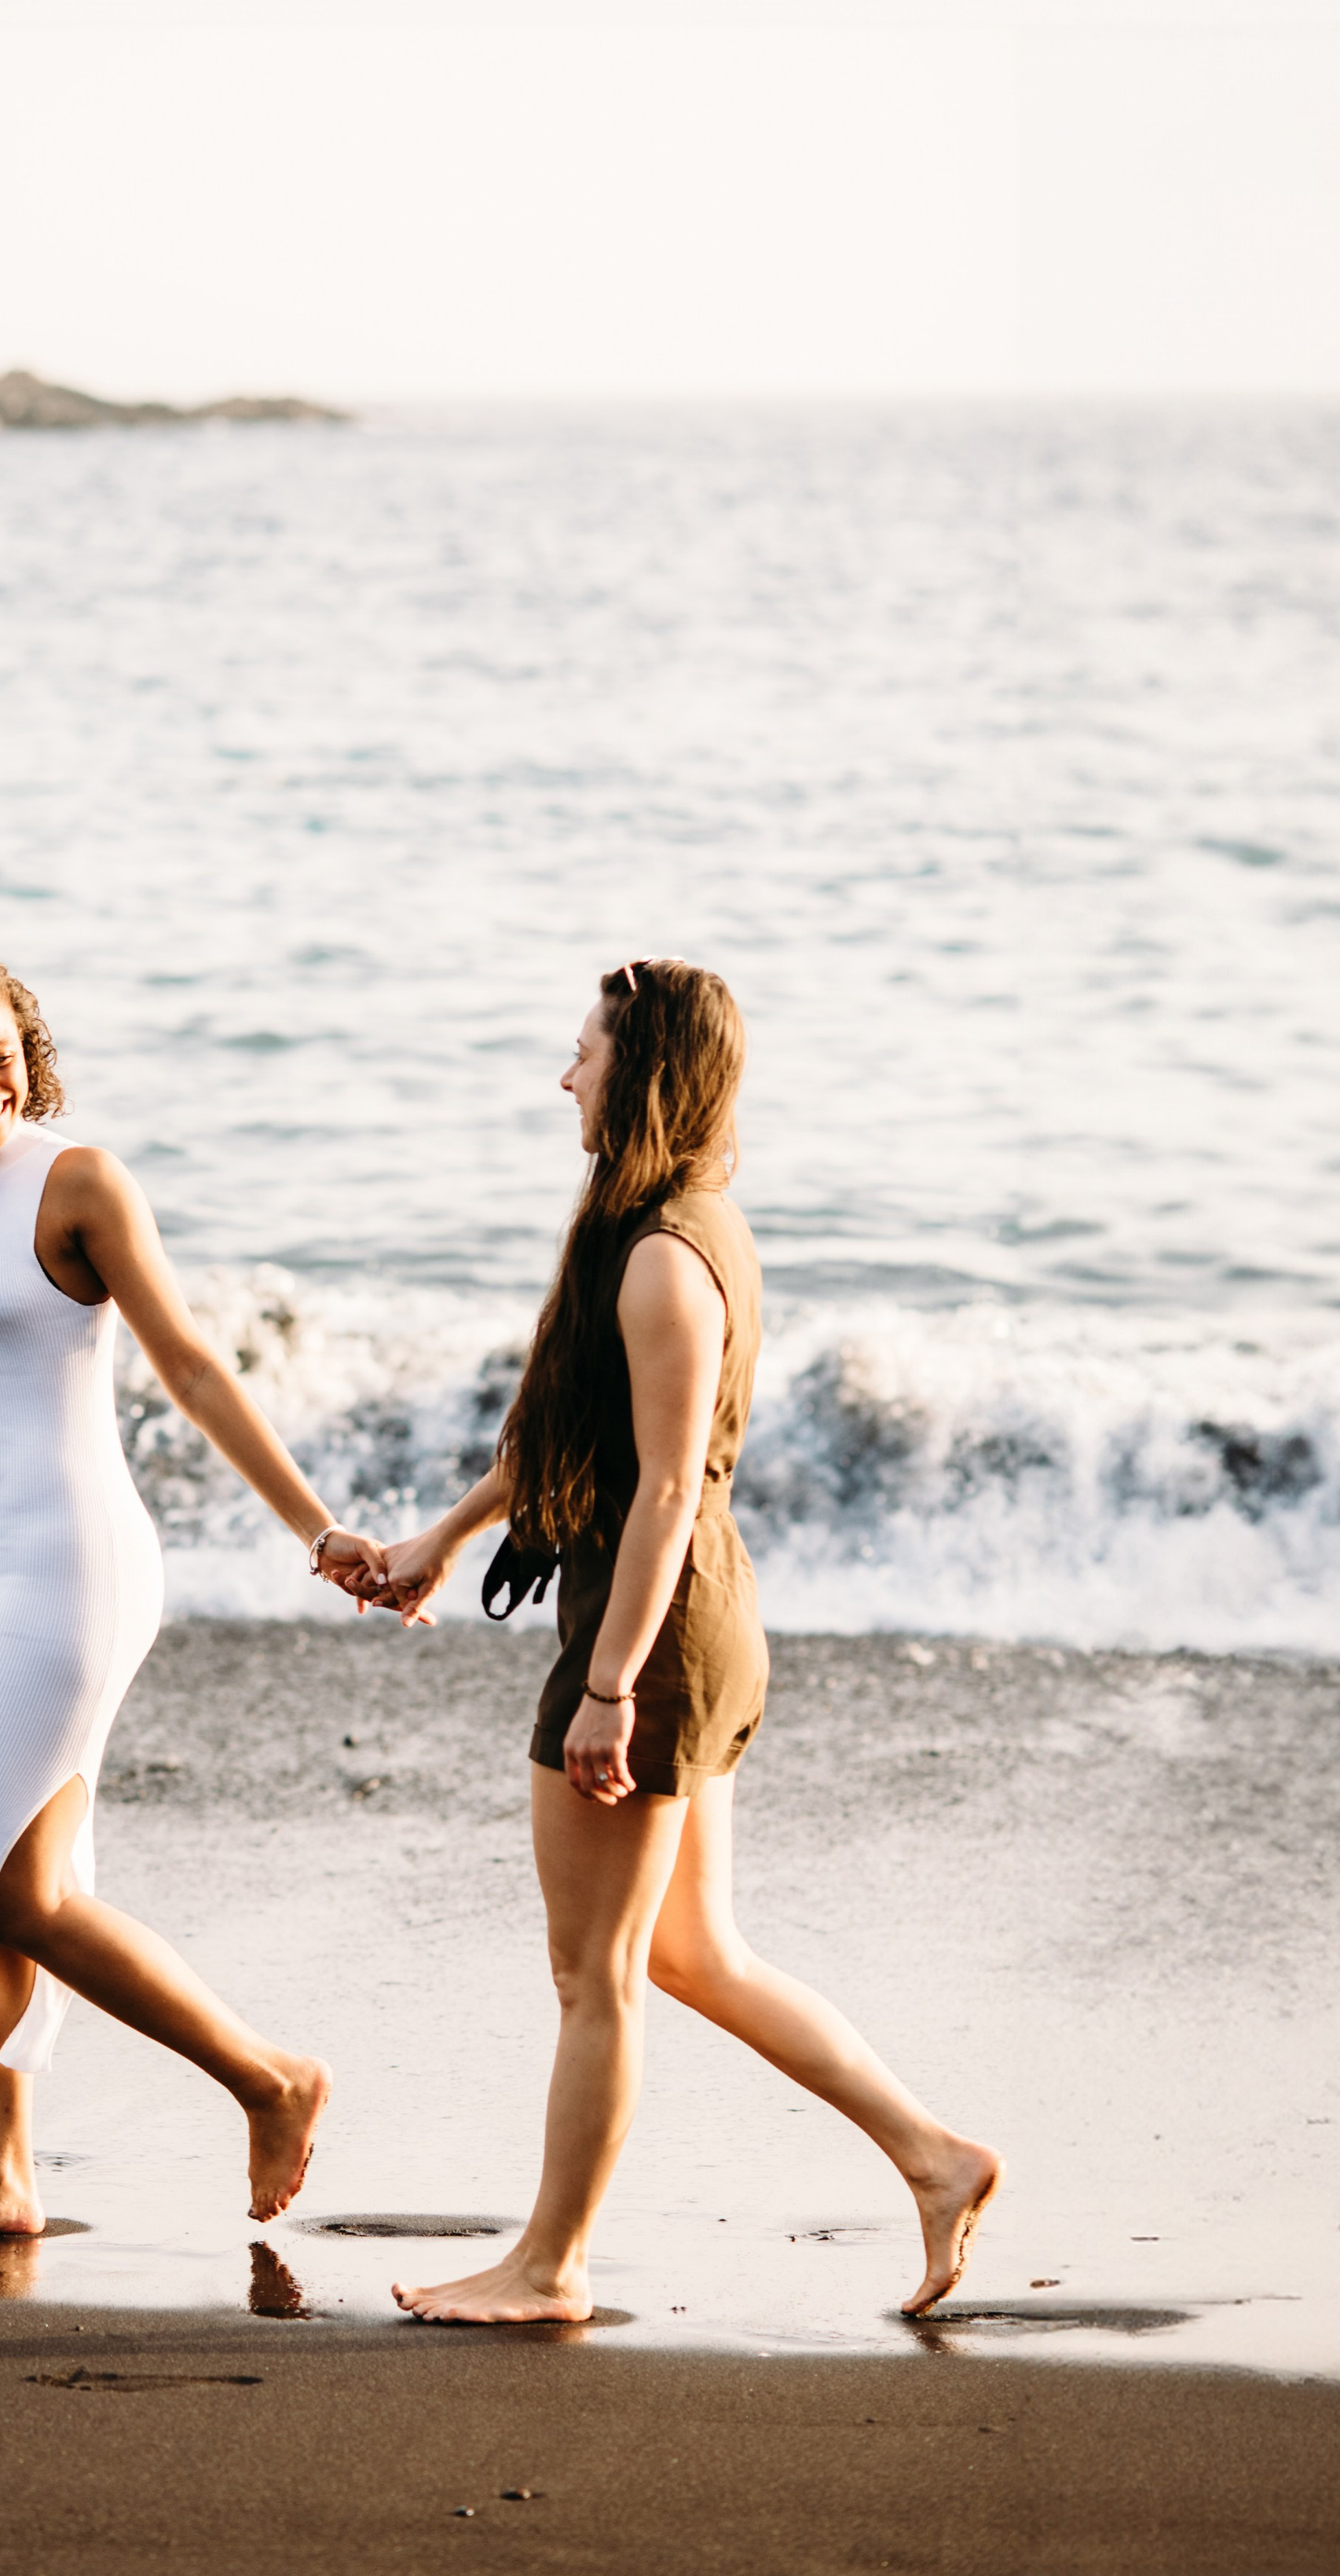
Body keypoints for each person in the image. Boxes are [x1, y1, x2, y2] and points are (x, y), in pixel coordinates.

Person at [331, 959, 1001, 2325]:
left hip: (662, 1638)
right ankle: (938, 2159)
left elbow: (666, 1490)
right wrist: (440, 1542)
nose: (564, 1073)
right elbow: (570, 1438)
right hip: (683, 1622)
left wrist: (607, 1690)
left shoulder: (665, 1265)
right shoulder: (657, 1227)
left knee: (597, 1977)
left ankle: (550, 2267)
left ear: (635, 1076)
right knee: (695, 1956)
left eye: (582, 1051)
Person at [0, 948, 383, 2237]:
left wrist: (317, 1527)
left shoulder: (79, 1184)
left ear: (34, 1057)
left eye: (3, 1060)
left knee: (22, 1893)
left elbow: (189, 1363)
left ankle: (269, 2077)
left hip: (77, 1568)